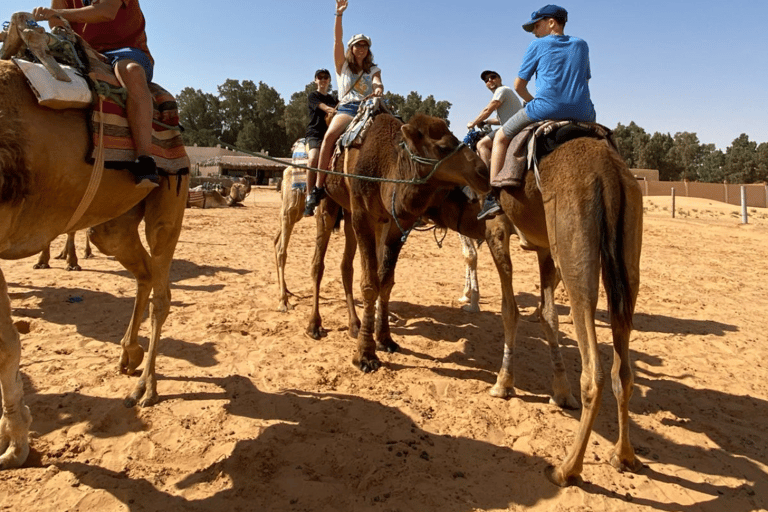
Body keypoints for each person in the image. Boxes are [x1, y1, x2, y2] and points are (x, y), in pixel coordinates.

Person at [477, 4, 596, 220]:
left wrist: (534, 102)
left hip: (545, 108)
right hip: (585, 112)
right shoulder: (582, 45)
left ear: (551, 23)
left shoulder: (537, 45)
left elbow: (519, 85)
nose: (534, 31)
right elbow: (584, 79)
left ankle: (492, 198)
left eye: (537, 25)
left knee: (501, 138)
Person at [33, 0, 160, 188]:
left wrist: (56, 13)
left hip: (124, 50)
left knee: (132, 72)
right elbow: (57, 24)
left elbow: (106, 11)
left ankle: (144, 160)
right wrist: (55, 20)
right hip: (82, 50)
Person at [304, 0, 384, 216]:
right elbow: (336, 39)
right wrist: (339, 15)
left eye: (364, 45)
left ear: (368, 49)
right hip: (349, 109)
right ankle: (318, 187)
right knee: (329, 137)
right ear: (351, 48)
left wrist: (378, 88)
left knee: (397, 130)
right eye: (357, 45)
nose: (361, 48)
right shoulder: (343, 66)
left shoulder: (373, 68)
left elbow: (377, 81)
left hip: (371, 108)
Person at [467, 70, 523, 219]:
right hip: (510, 124)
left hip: (513, 128)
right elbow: (500, 119)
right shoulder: (504, 93)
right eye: (486, 80)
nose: (489, 80)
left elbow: (488, 109)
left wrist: (474, 122)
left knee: (481, 145)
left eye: (493, 77)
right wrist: (485, 122)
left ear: (499, 79)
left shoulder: (502, 90)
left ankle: (487, 183)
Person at [303, 68, 338, 217]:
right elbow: (324, 108)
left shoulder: (334, 99)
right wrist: (333, 110)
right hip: (315, 135)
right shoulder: (313, 96)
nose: (323, 80)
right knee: (313, 159)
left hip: (331, 136)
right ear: (315, 80)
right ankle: (310, 195)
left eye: (326, 77)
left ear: (329, 80)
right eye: (320, 77)